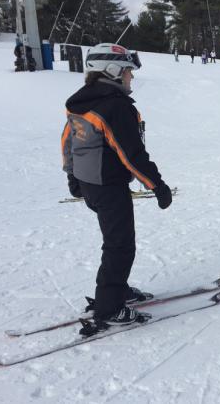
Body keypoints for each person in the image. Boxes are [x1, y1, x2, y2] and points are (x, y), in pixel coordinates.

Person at [61, 43, 173, 332]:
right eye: (127, 72)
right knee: (120, 246)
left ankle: (117, 290)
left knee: (116, 243)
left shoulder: (80, 101)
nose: (130, 78)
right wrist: (156, 185)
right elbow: (130, 153)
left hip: (92, 185)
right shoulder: (115, 106)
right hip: (109, 186)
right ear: (111, 71)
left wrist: (73, 178)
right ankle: (109, 307)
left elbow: (68, 142)